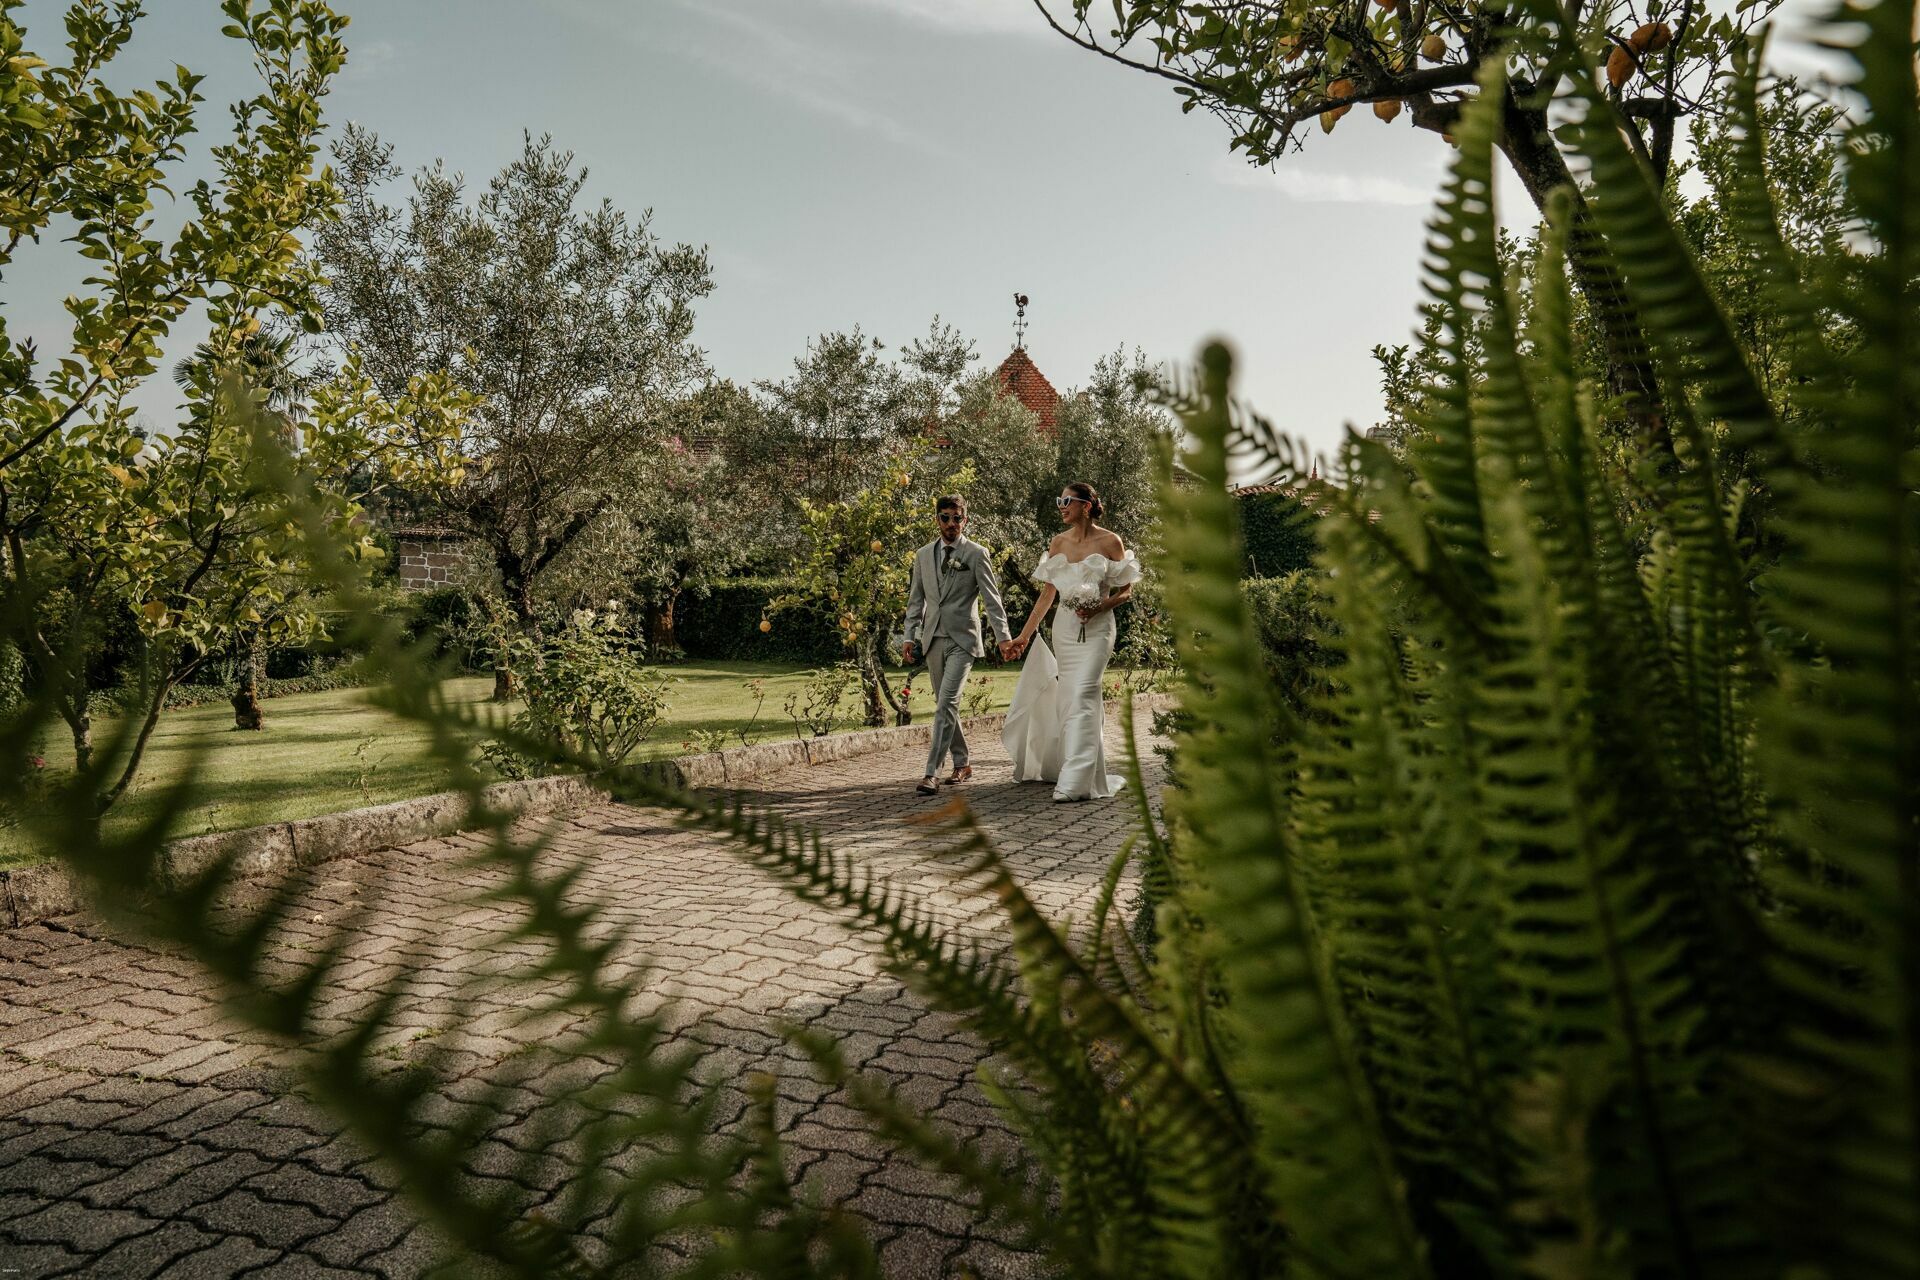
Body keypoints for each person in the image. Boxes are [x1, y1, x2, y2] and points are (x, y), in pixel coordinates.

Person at [1002, 482, 1141, 802]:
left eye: (1067, 500)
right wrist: (1023, 636)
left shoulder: (1110, 541)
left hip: (1099, 629)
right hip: (1064, 629)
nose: (1061, 506)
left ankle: (1074, 782)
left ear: (1087, 506)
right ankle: (1081, 770)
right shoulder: (1058, 543)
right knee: (1071, 699)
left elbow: (1126, 591)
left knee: (1084, 692)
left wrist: (1099, 607)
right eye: (1058, 500)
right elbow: (1047, 595)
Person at [902, 495, 1018, 797]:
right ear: (937, 519)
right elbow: (916, 601)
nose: (951, 523)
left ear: (965, 520)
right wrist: (908, 636)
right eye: (945, 517)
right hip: (933, 640)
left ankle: (931, 773)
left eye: (957, 518)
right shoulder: (923, 555)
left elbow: (992, 601)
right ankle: (963, 763)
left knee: (946, 704)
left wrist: (1003, 637)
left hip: (963, 640)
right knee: (946, 705)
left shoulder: (977, 554)